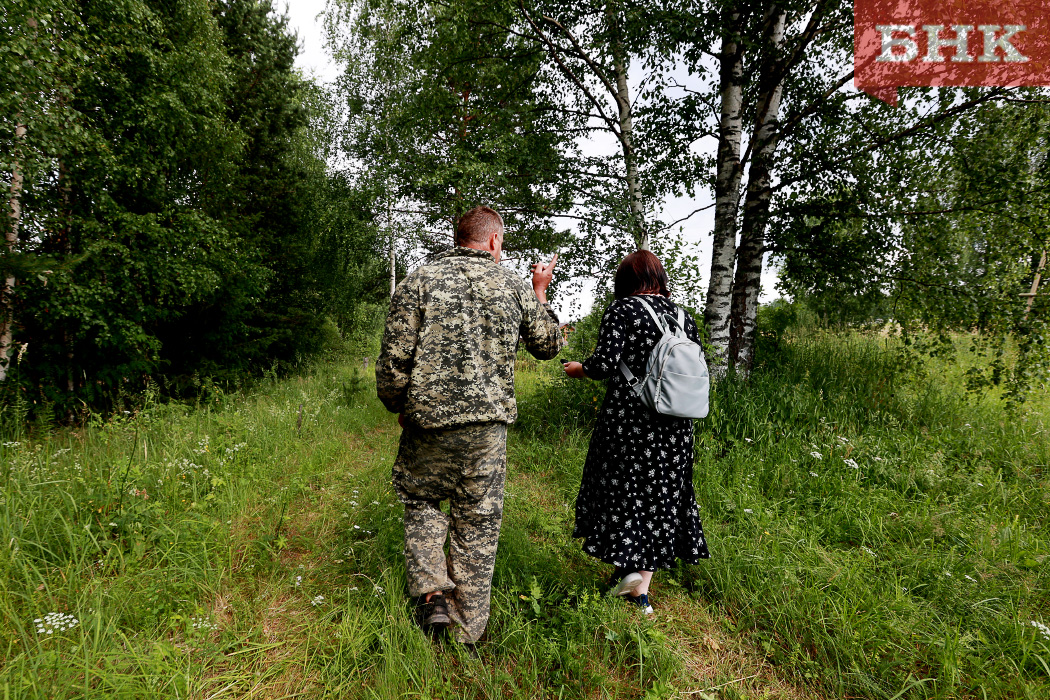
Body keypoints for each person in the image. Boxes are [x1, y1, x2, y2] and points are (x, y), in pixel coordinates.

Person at [375, 206, 563, 645]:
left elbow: (392, 363)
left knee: (420, 499)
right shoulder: (513, 286)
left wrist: (399, 405)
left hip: (428, 423)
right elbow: (549, 345)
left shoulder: (418, 281)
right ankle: (467, 633)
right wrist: (539, 292)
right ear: (494, 241)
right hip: (486, 431)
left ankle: (432, 593)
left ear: (458, 237)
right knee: (477, 526)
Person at [562, 250, 709, 614]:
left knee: (623, 491)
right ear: (659, 277)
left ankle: (628, 572)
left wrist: (579, 369)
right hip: (676, 426)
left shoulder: (623, 310)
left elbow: (604, 364)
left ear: (625, 281)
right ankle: (641, 590)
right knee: (660, 498)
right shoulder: (683, 317)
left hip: (631, 423)